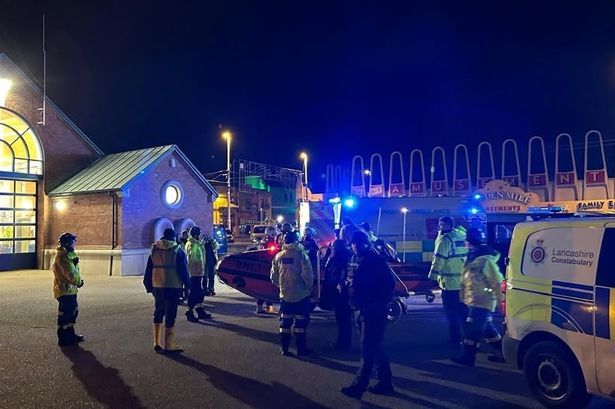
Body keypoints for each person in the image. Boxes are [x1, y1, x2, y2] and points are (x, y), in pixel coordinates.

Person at [341, 231, 396, 399]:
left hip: (372, 311)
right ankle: (385, 383)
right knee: (376, 346)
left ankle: (359, 386)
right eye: (353, 243)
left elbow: (389, 284)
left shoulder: (374, 260)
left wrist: (376, 304)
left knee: (368, 349)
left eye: (358, 243)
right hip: (361, 308)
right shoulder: (355, 259)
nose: (355, 246)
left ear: (366, 243)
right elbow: (354, 280)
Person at [453, 227, 505, 366]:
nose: (465, 244)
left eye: (466, 242)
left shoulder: (484, 261)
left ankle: (468, 358)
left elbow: (497, 282)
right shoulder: (471, 258)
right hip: (474, 300)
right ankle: (502, 353)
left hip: (483, 300)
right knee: (487, 329)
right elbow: (466, 282)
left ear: (472, 242)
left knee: (472, 330)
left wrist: (502, 301)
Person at [144, 228, 191, 353]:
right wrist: (188, 285)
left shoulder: (154, 249)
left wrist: (148, 285)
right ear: (173, 237)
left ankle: (156, 342)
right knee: (170, 314)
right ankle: (168, 344)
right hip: (173, 285)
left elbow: (149, 269)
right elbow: (183, 271)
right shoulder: (177, 250)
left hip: (157, 284)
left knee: (158, 311)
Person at [270, 231, 314, 356]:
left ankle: (284, 349)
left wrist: (282, 287)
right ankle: (301, 350)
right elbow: (308, 275)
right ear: (296, 241)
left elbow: (273, 277)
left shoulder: (278, 256)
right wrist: (309, 288)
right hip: (301, 295)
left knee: (285, 324)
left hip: (285, 296)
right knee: (301, 324)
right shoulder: (302, 255)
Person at [427, 216, 468, 345]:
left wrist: (432, 279)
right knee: (464, 313)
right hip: (464, 283)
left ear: (445, 225)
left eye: (440, 224)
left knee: (452, 315)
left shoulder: (445, 239)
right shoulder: (461, 236)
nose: (439, 227)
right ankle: (468, 339)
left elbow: (438, 260)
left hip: (450, 285)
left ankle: (455, 340)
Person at [52, 232, 85, 347]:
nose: (74, 245)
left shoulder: (67, 255)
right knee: (66, 315)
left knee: (71, 313)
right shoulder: (63, 257)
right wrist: (79, 282)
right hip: (65, 291)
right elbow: (70, 274)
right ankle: (64, 339)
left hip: (69, 291)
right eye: (72, 243)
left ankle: (70, 336)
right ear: (67, 244)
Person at [324, 239, 353, 350]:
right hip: (345, 291)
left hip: (341, 292)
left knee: (342, 319)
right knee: (345, 319)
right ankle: (344, 342)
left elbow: (333, 273)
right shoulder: (348, 255)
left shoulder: (337, 257)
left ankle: (343, 343)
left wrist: (337, 283)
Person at [185, 226, 212, 322]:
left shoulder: (194, 243)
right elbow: (195, 259)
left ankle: (199, 309)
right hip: (194, 273)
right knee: (195, 293)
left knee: (200, 292)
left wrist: (202, 243)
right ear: (196, 234)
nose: (200, 236)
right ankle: (189, 311)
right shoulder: (193, 245)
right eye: (199, 234)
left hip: (197, 272)